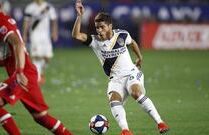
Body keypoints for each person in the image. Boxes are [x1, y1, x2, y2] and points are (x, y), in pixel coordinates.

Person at [0, 0, 72, 135]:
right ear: (0, 5)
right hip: (28, 73)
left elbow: (18, 45)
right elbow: (11, 56)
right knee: (41, 117)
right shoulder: (5, 20)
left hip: (22, 74)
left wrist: (19, 72)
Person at [72, 1, 169, 135]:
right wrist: (79, 16)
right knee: (114, 100)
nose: (99, 30)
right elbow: (76, 35)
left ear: (110, 26)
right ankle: (126, 131)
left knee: (136, 93)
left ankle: (160, 123)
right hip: (115, 79)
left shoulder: (122, 35)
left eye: (102, 27)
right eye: (97, 27)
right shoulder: (95, 41)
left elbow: (133, 43)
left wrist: (139, 57)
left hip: (131, 73)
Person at [23, 0, 58, 85]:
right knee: (36, 56)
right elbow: (26, 22)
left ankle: (39, 71)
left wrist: (54, 31)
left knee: (48, 58)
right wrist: (24, 35)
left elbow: (54, 20)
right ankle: (37, 78)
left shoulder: (49, 7)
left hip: (46, 35)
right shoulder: (30, 8)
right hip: (34, 34)